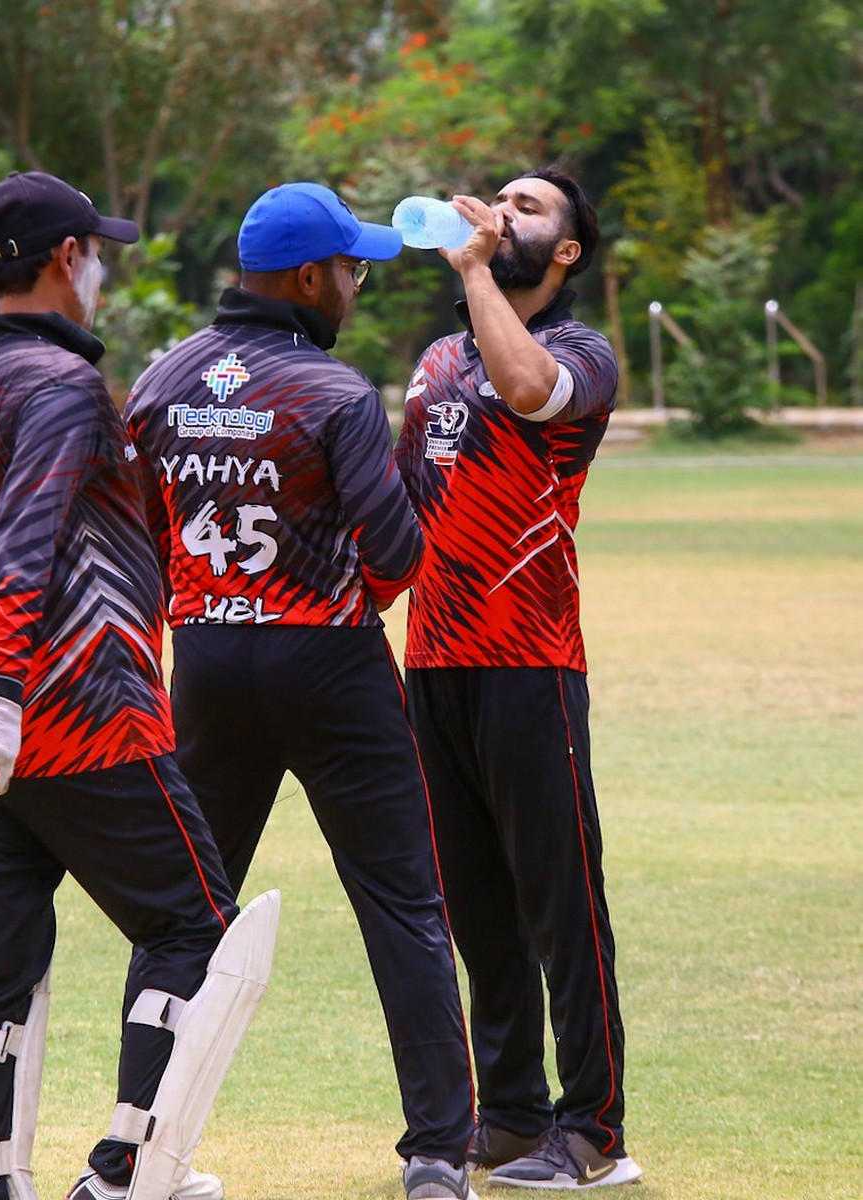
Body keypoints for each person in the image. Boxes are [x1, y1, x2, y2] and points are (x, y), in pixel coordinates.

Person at [0, 170, 279, 1200]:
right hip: (77, 712)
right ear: (67, 259)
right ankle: (129, 1171)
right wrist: (4, 694)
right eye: (98, 254)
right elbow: (27, 544)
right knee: (194, 929)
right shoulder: (63, 384)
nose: (101, 272)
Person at [124, 182, 477, 1200]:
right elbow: (396, 556)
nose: (356, 287)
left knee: (184, 915)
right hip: (329, 664)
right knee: (403, 904)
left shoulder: (159, 380)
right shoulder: (333, 391)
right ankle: (435, 1155)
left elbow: (138, 539)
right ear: (311, 278)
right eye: (352, 270)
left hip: (206, 665)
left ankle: (134, 1147)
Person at [395, 167, 642, 1190]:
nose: (501, 213)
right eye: (497, 198)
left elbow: (531, 391)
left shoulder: (581, 353)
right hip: (432, 662)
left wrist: (472, 271)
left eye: (527, 207)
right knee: (475, 908)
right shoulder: (436, 359)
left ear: (566, 250)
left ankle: (591, 1131)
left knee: (560, 904)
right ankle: (505, 1115)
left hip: (529, 660)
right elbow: (399, 502)